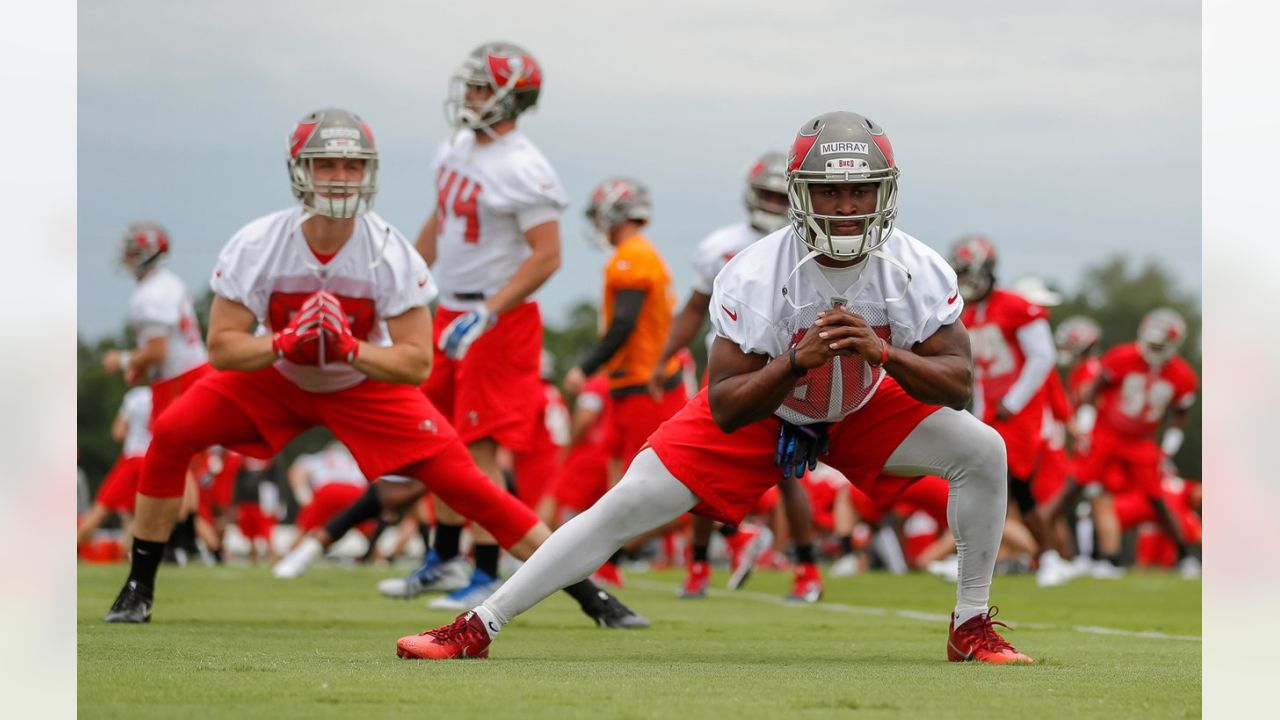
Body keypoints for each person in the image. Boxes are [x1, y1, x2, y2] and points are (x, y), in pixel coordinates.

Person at [398, 110, 1032, 664]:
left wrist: (884, 350)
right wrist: (792, 363)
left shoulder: (916, 267)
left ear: (885, 195)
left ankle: (970, 625)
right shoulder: (756, 270)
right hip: (767, 407)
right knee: (624, 504)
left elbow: (958, 387)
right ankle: (477, 626)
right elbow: (726, 406)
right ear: (799, 196)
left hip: (864, 400)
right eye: (829, 191)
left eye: (861, 192)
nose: (845, 207)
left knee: (983, 450)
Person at [104, 107, 646, 632]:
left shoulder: (389, 250)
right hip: (276, 379)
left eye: (353, 166)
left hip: (360, 386)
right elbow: (222, 349)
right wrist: (288, 340)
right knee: (172, 432)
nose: (341, 178)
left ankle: (589, 593)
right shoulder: (258, 244)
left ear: (369, 173)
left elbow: (415, 362)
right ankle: (139, 585)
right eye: (327, 165)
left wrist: (349, 349)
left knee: (473, 488)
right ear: (300, 170)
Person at [389, 42, 566, 609]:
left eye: (481, 88)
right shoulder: (457, 145)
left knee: (479, 447)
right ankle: (443, 557)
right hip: (449, 311)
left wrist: (488, 310)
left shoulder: (523, 165)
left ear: (512, 99)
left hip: (498, 317)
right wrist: (405, 281)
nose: (468, 97)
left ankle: (486, 570)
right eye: (468, 86)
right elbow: (442, 219)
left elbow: (547, 255)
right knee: (434, 436)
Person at [645, 151, 820, 601]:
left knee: (788, 471)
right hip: (725, 372)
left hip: (784, 371)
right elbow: (692, 309)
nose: (773, 205)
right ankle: (698, 565)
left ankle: (807, 570)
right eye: (766, 195)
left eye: (782, 197)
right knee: (698, 467)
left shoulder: (807, 246)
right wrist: (665, 356)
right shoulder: (722, 244)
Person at [563, 176, 689, 587]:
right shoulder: (637, 254)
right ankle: (609, 563)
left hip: (643, 382)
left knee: (653, 482)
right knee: (618, 481)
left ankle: (733, 534)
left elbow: (623, 323)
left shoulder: (631, 256)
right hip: (629, 382)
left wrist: (586, 365)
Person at [949, 236, 1068, 584]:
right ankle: (991, 560)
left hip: (1018, 414)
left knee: (1014, 486)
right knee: (990, 484)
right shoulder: (969, 314)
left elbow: (1044, 356)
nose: (965, 281)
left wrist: (1013, 402)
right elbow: (980, 374)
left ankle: (1048, 558)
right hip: (991, 411)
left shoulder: (1015, 305)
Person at [1072, 307, 1200, 577]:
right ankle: (1095, 558)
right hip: (1107, 433)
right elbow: (1094, 391)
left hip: (1142, 441)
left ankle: (1185, 554)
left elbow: (1181, 411)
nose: (1153, 348)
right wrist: (1086, 423)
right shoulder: (1122, 357)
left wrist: (1170, 444)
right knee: (1078, 487)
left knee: (1157, 499)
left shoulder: (1182, 375)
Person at [77, 386, 153, 549]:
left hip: (133, 459)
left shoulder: (135, 396)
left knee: (101, 508)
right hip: (153, 462)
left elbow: (118, 433)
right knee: (141, 516)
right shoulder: (167, 396)